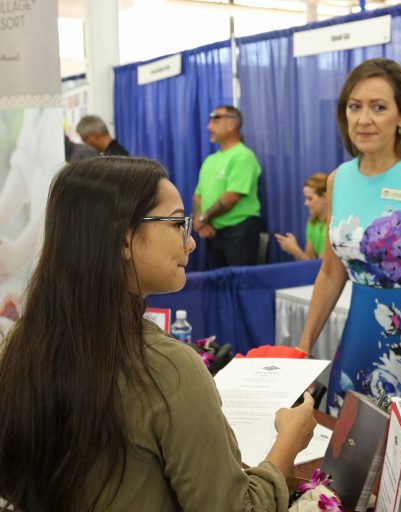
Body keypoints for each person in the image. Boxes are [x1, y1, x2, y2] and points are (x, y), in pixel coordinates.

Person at [0, 157, 316, 511]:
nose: (190, 242)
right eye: (177, 223)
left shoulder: (18, 346)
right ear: (123, 238)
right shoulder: (166, 368)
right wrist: (289, 442)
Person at [297, 58, 401, 415]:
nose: (363, 119)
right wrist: (303, 347)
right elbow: (330, 272)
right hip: (358, 332)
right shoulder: (338, 179)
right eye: (355, 107)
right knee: (353, 445)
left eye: (379, 107)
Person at [193, 105, 263, 268]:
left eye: (215, 120)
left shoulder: (243, 156)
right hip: (213, 233)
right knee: (219, 286)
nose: (209, 127)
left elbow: (232, 196)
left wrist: (203, 218)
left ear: (231, 124)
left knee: (240, 285)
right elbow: (198, 195)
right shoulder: (210, 160)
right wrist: (199, 220)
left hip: (240, 233)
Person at [275, 172, 329, 260]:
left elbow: (322, 267)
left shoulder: (333, 226)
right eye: (305, 198)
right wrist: (295, 251)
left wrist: (295, 251)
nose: (306, 203)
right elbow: (310, 263)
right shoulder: (312, 224)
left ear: (325, 198)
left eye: (310, 198)